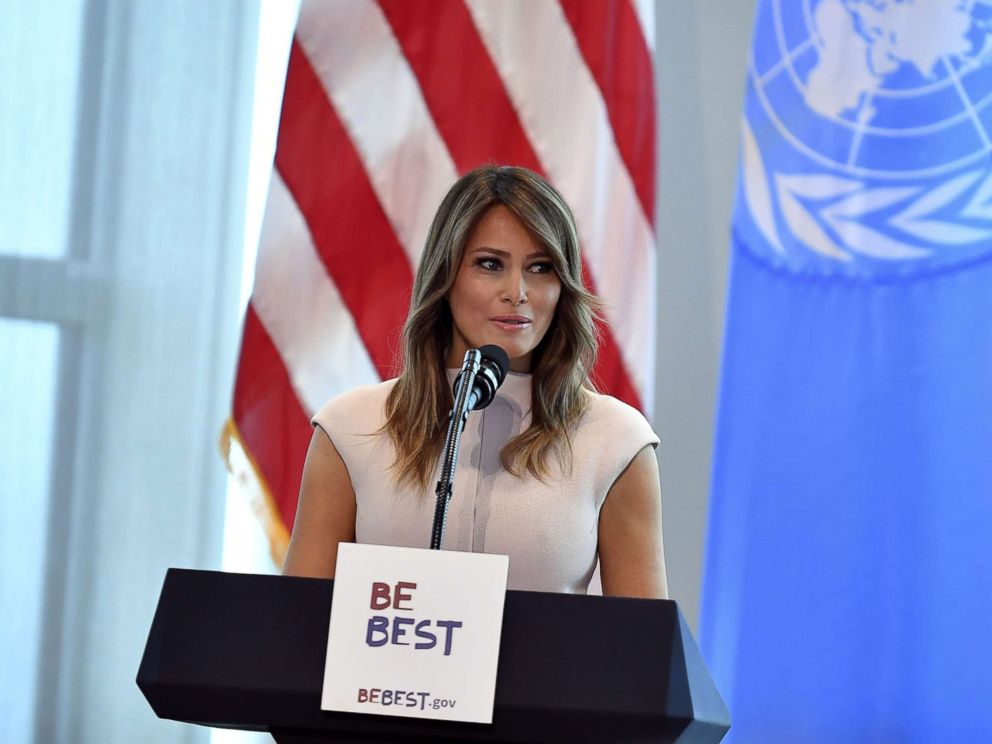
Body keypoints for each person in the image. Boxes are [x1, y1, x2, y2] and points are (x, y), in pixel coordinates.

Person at [282, 165, 667, 598]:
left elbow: (642, 653)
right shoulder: (350, 428)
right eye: (490, 264)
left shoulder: (615, 441)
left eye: (540, 268)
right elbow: (297, 629)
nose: (517, 291)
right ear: (446, 277)